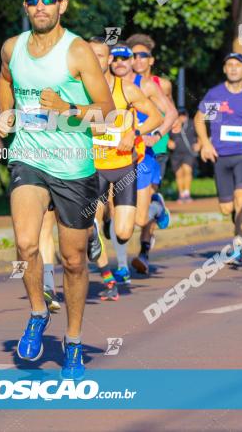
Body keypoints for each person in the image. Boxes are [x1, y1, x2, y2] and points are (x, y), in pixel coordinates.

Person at [0, 0, 114, 380]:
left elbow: (107, 111)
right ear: (25, 5)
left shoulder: (78, 51)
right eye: (33, 0)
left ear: (62, 4)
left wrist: (67, 108)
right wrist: (6, 114)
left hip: (72, 163)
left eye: (48, 0)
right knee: (27, 245)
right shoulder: (12, 48)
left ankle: (75, 341)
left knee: (73, 260)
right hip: (28, 156)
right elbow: (5, 80)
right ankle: (36, 312)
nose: (40, 7)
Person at [88, 39, 162, 293]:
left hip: (123, 166)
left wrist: (135, 132)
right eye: (89, 55)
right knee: (91, 223)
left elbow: (156, 116)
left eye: (99, 55)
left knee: (122, 232)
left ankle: (117, 223)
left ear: (108, 59)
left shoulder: (126, 88)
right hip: (93, 165)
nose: (94, 60)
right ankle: (106, 272)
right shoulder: (78, 89)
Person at [194, 52, 242, 265]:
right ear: (224, 69)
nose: (233, 68)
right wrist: (205, 143)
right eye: (229, 65)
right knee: (227, 208)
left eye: (237, 65)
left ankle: (238, 246)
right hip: (221, 156)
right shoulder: (216, 95)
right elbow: (199, 119)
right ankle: (238, 228)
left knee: (241, 198)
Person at [123, 35, 176, 277]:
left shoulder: (159, 85)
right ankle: (156, 208)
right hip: (127, 149)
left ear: (151, 60)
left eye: (142, 55)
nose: (137, 60)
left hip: (155, 149)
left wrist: (158, 133)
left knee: (146, 199)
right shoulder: (120, 82)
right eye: (132, 55)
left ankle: (144, 250)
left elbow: (170, 113)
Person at [169, 108, 199, 203]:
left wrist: (200, 144)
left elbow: (200, 135)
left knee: (187, 170)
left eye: (183, 115)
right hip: (176, 154)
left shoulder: (192, 124)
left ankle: (187, 193)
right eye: (180, 115)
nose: (182, 117)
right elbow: (164, 135)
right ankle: (181, 194)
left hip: (188, 153)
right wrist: (169, 142)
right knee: (179, 174)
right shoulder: (172, 125)